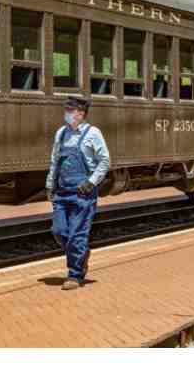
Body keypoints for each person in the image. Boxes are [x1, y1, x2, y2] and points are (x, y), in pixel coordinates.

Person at [46, 96, 110, 290]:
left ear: (80, 114)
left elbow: (105, 161)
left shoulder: (93, 133)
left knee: (77, 235)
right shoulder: (61, 133)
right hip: (62, 192)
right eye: (66, 110)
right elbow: (54, 161)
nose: (66, 114)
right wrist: (50, 184)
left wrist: (91, 183)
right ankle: (80, 255)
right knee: (58, 231)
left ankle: (75, 275)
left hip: (83, 194)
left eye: (70, 111)